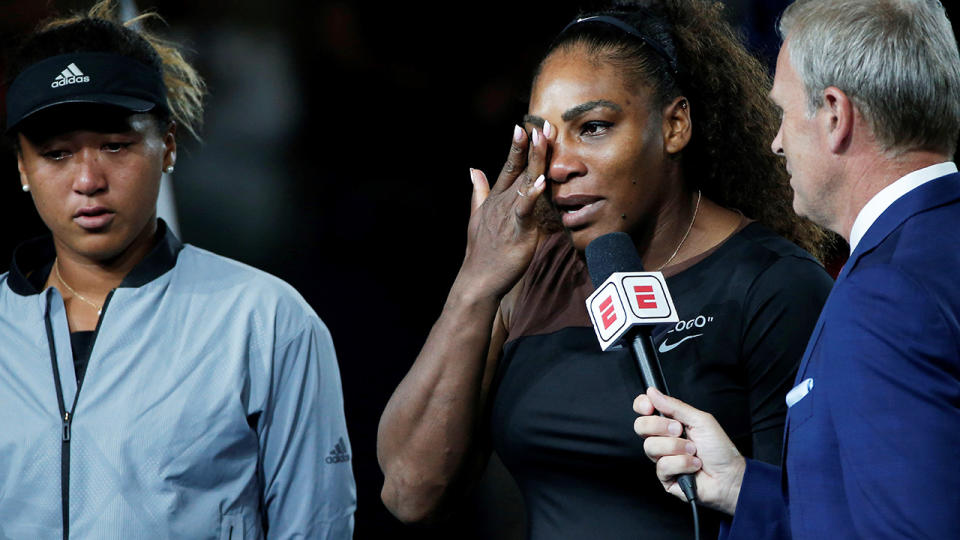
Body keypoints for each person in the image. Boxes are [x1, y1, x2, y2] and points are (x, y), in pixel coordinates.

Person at [377, 1, 833, 538]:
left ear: (675, 125)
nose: (562, 164)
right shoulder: (527, 274)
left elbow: (811, 515)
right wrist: (476, 284)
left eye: (593, 127)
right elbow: (411, 491)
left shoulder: (775, 285)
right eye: (545, 138)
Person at [0, 2, 356, 538]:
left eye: (116, 145)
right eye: (56, 154)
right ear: (23, 167)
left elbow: (316, 525)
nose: (88, 179)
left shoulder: (264, 321)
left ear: (166, 145)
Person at [633, 0, 960, 538]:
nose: (776, 142)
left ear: (834, 114)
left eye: (783, 112)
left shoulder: (886, 295)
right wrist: (742, 488)